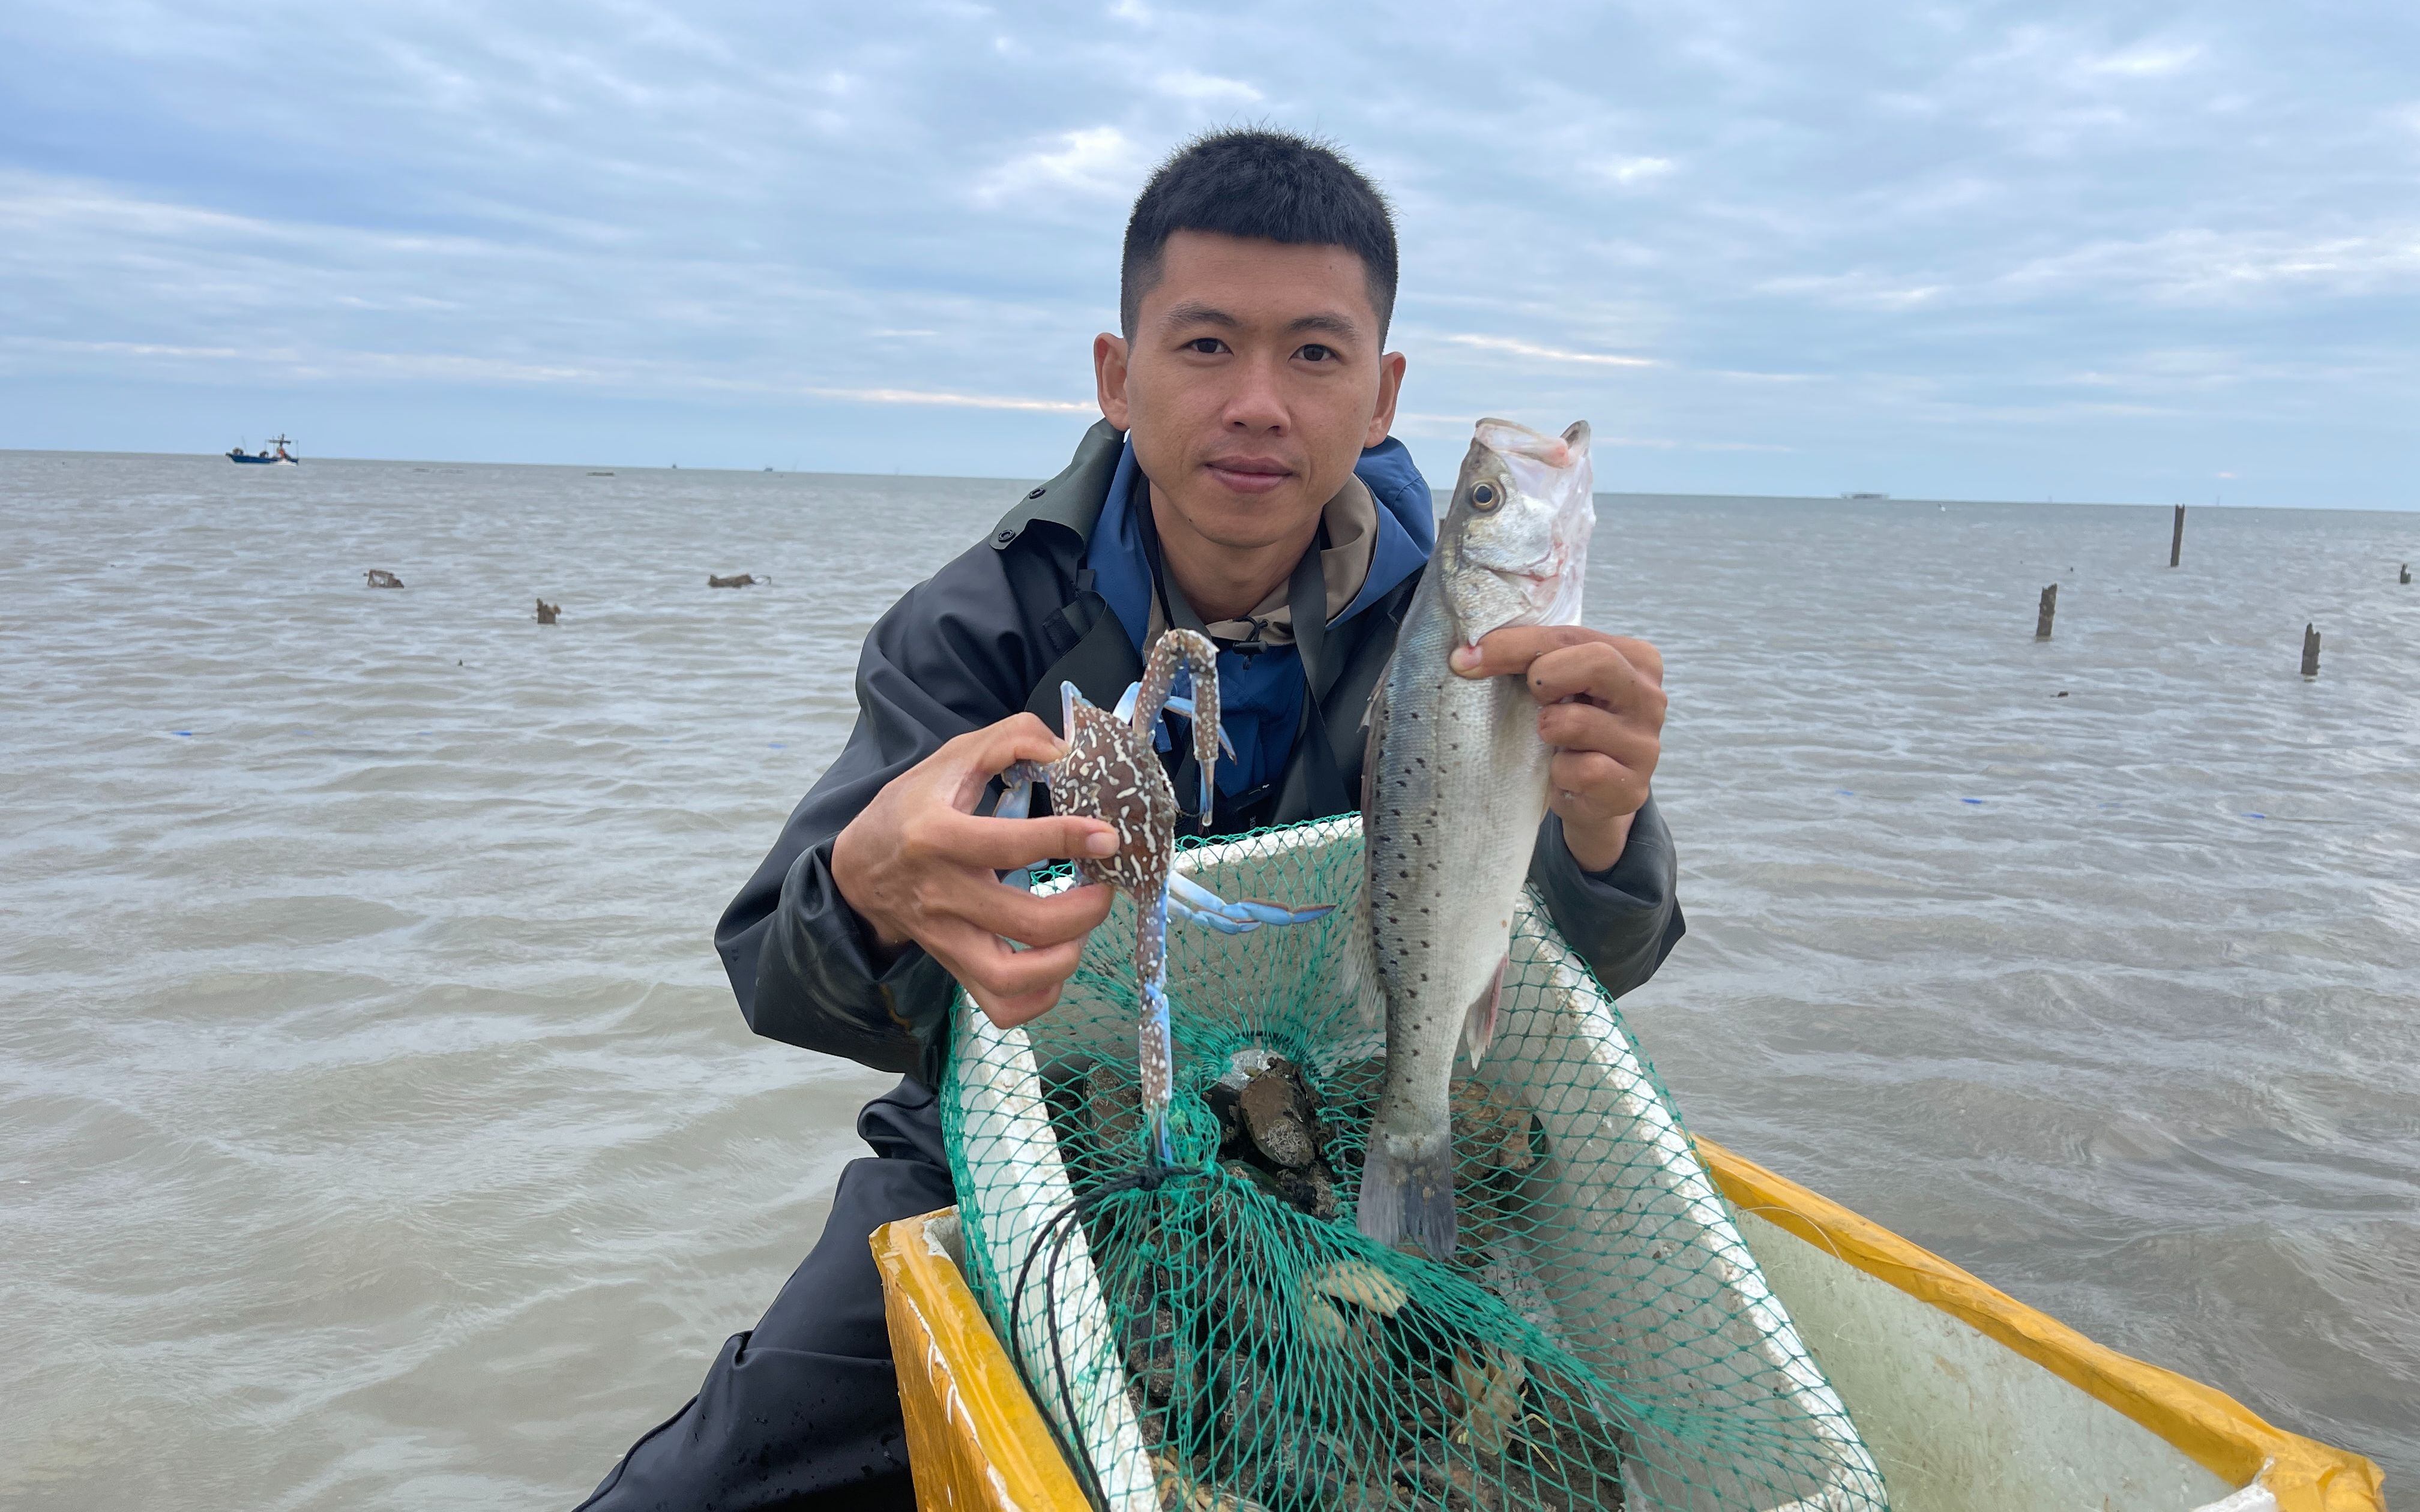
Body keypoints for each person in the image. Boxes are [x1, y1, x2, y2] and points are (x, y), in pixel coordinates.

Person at [577, 128, 1684, 1512]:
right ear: (1118, 374)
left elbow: (1592, 966)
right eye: (1207, 345)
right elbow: (775, 974)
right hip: (1019, 1139)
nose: (1259, 404)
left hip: (1344, 1114)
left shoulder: (1470, 637)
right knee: (710, 1484)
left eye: (1316, 354)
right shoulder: (977, 626)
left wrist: (1604, 833)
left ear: (1383, 395)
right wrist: (865, 896)